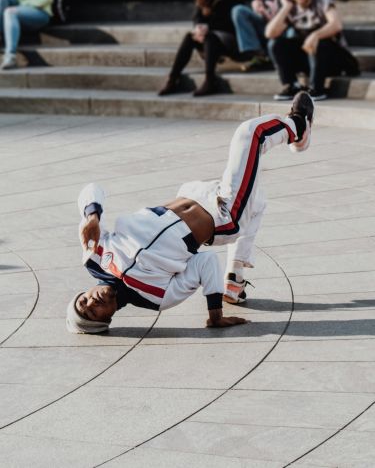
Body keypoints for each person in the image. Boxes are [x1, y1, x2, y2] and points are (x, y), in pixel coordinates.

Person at [66, 91, 314, 335]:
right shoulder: (155, 297)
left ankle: (234, 282)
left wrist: (92, 216)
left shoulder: (94, 257)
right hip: (223, 215)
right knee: (250, 135)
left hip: (193, 192)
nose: (91, 303)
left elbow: (91, 189)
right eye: (91, 314)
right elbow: (204, 262)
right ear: (106, 320)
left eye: (82, 302)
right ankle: (298, 127)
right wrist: (215, 315)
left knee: (257, 202)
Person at [265, 0, 360, 101]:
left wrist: (316, 35)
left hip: (335, 59)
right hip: (310, 59)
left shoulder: (322, 2)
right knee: (275, 44)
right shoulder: (291, 8)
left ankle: (316, 88)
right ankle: (292, 86)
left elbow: (336, 25)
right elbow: (270, 33)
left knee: (318, 42)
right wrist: (286, 7)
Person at [159, 0, 255, 97]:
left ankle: (210, 80)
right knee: (190, 37)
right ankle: (173, 78)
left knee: (210, 37)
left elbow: (234, 23)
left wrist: (208, 27)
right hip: (211, 38)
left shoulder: (232, 2)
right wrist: (199, 28)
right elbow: (197, 18)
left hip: (233, 41)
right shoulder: (203, 1)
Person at [0, 0, 53, 70]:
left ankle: (10, 57)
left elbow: (43, 2)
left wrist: (21, 6)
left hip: (40, 12)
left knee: (9, 11)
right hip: (21, 9)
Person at [231, 0, 279, 72]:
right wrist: (254, 3)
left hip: (282, 21)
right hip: (263, 23)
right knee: (238, 10)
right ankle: (258, 56)